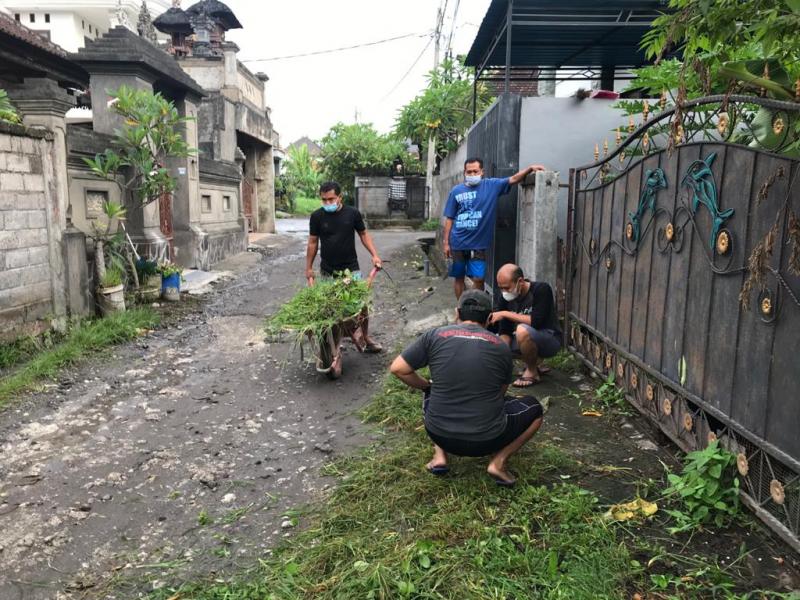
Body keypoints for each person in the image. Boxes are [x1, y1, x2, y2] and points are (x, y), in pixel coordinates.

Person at [389, 290, 544, 487]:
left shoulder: (434, 336)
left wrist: (427, 386)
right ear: (490, 318)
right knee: (534, 408)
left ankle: (440, 456)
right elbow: (500, 393)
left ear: (457, 313)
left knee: (433, 389)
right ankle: (498, 462)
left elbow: (398, 369)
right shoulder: (501, 347)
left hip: (439, 434)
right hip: (488, 439)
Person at [442, 158, 547, 299]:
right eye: (469, 172)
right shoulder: (456, 191)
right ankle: (461, 307)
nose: (472, 174)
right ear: (464, 172)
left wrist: (529, 168)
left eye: (475, 171)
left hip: (478, 245)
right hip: (457, 243)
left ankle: (475, 307)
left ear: (482, 172)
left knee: (479, 278)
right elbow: (450, 218)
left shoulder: (491, 186)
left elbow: (513, 179)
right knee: (459, 277)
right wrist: (446, 243)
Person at [306, 180, 382, 353]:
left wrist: (374, 255)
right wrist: (309, 268)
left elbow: (363, 234)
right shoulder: (317, 216)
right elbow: (312, 242)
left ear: (340, 197)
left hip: (350, 268)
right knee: (329, 309)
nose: (327, 203)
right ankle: (335, 341)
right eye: (324, 200)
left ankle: (366, 336)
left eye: (331, 199)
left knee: (360, 305)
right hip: (327, 270)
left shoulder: (352, 214)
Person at [489, 264, 562, 388]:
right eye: (501, 288)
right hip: (520, 340)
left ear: (520, 282)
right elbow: (504, 330)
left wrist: (506, 313)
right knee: (491, 341)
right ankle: (533, 362)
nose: (504, 292)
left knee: (522, 330)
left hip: (549, 339)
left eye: (507, 288)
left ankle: (532, 371)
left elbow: (536, 322)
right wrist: (503, 355)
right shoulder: (504, 299)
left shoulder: (541, 290)